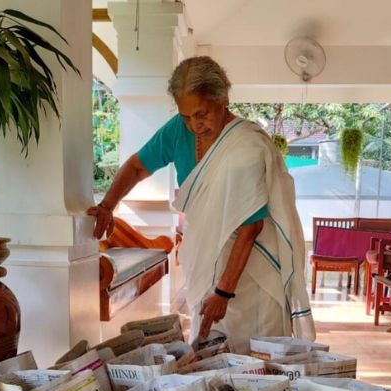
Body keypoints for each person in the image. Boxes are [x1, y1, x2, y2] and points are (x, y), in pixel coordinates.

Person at [87, 56, 314, 353]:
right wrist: (107, 204)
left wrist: (223, 292)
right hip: (208, 261)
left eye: (201, 114)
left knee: (256, 354)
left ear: (223, 100)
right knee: (211, 353)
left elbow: (250, 228)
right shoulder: (178, 131)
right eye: (186, 116)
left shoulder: (246, 146)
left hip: (252, 269)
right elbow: (138, 166)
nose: (194, 125)